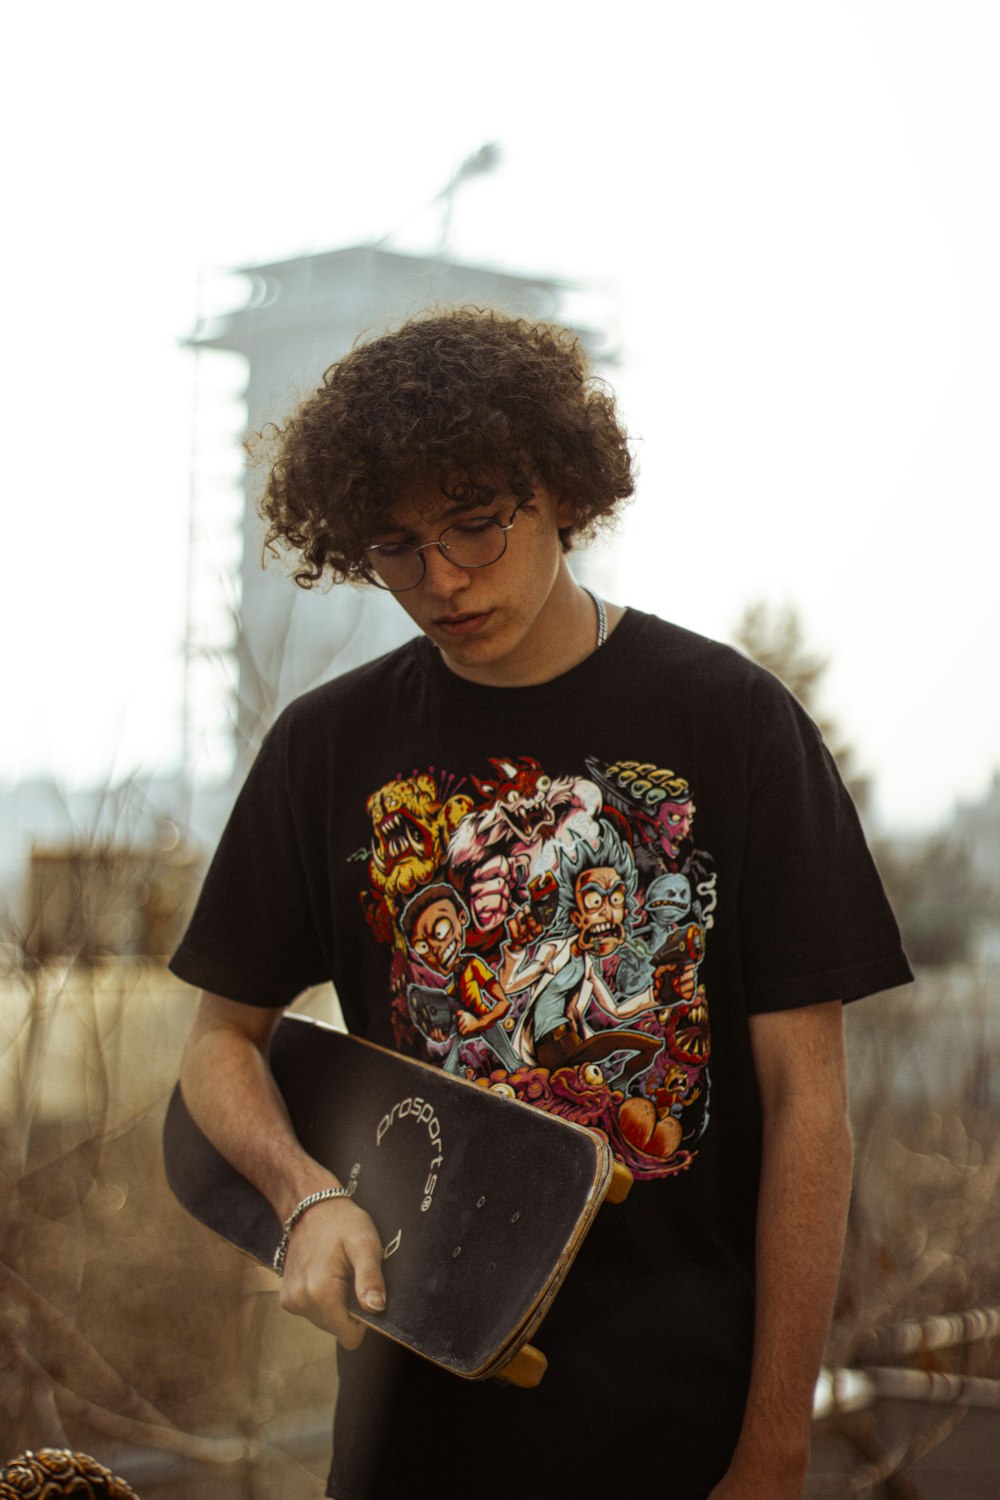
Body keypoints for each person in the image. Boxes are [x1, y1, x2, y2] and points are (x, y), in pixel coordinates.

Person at [171, 308, 913, 1500]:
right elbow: (218, 1044)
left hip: (686, 1421)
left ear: (562, 489)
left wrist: (776, 1441)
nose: (443, 579)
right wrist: (301, 1198)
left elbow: (806, 1105)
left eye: (475, 524)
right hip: (410, 1430)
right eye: (395, 547)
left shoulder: (731, 722)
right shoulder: (326, 746)